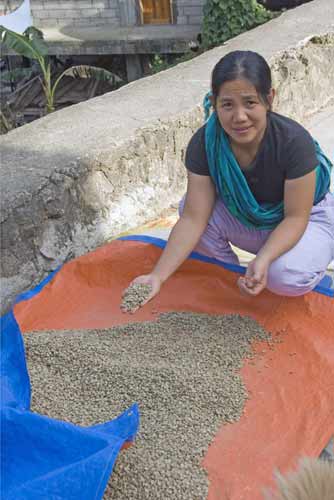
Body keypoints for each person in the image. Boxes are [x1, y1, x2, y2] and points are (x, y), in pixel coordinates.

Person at [124, 50, 334, 307]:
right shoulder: (206, 144)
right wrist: (157, 276)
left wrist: (264, 258)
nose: (239, 117)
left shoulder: (293, 142)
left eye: (250, 103)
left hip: (307, 219)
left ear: (269, 99)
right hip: (256, 222)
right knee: (191, 209)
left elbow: (296, 217)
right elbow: (193, 219)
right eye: (227, 105)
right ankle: (236, 280)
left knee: (285, 277)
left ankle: (310, 267)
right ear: (214, 103)